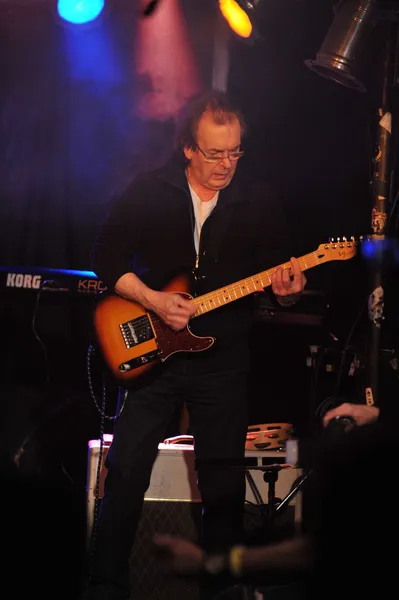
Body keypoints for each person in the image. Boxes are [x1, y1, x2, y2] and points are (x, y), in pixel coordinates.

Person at [86, 89, 306, 600]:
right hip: (152, 357)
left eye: (234, 152)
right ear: (188, 147)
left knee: (224, 486)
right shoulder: (149, 189)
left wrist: (288, 293)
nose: (225, 165)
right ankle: (104, 585)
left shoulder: (259, 200)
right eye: (214, 153)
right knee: (125, 474)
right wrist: (154, 300)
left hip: (222, 360)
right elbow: (104, 256)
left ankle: (220, 589)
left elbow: (278, 282)